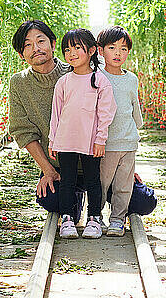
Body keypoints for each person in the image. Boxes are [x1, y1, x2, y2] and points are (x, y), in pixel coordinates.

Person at [8, 20, 157, 229]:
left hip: (100, 162)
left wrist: (124, 164)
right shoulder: (19, 83)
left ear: (52, 44)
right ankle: (75, 204)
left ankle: (92, 209)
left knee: (143, 201)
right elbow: (23, 131)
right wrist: (47, 170)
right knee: (50, 200)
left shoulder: (85, 70)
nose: (36, 48)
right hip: (61, 165)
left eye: (40, 41)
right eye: (27, 45)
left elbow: (116, 113)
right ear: (21, 54)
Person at [48, 28, 117, 239]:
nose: (72, 53)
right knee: (67, 180)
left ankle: (94, 218)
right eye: (67, 49)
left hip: (90, 142)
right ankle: (67, 218)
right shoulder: (64, 82)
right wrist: (53, 141)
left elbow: (107, 112)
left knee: (92, 181)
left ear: (92, 51)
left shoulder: (100, 80)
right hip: (66, 140)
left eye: (77, 48)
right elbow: (56, 113)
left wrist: (100, 139)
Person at [96, 26, 142, 237]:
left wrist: (136, 128)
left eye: (123, 49)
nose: (117, 53)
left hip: (128, 142)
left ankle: (117, 219)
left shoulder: (131, 78)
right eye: (111, 47)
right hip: (106, 143)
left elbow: (135, 106)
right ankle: (96, 217)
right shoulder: (97, 76)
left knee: (124, 185)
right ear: (100, 50)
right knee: (101, 183)